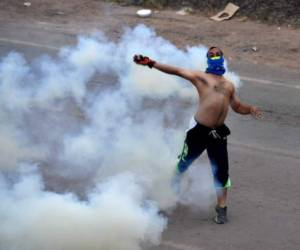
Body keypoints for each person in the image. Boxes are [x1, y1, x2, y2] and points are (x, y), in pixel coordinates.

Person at [133, 47, 262, 224]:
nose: (215, 56)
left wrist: (250, 109)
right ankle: (166, 196)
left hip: (218, 134)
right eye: (212, 54)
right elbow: (177, 70)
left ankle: (222, 207)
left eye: (218, 54)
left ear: (222, 58)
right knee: (183, 165)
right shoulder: (201, 78)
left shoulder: (229, 85)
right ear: (208, 59)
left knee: (222, 171)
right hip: (199, 132)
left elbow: (237, 106)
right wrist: (151, 63)